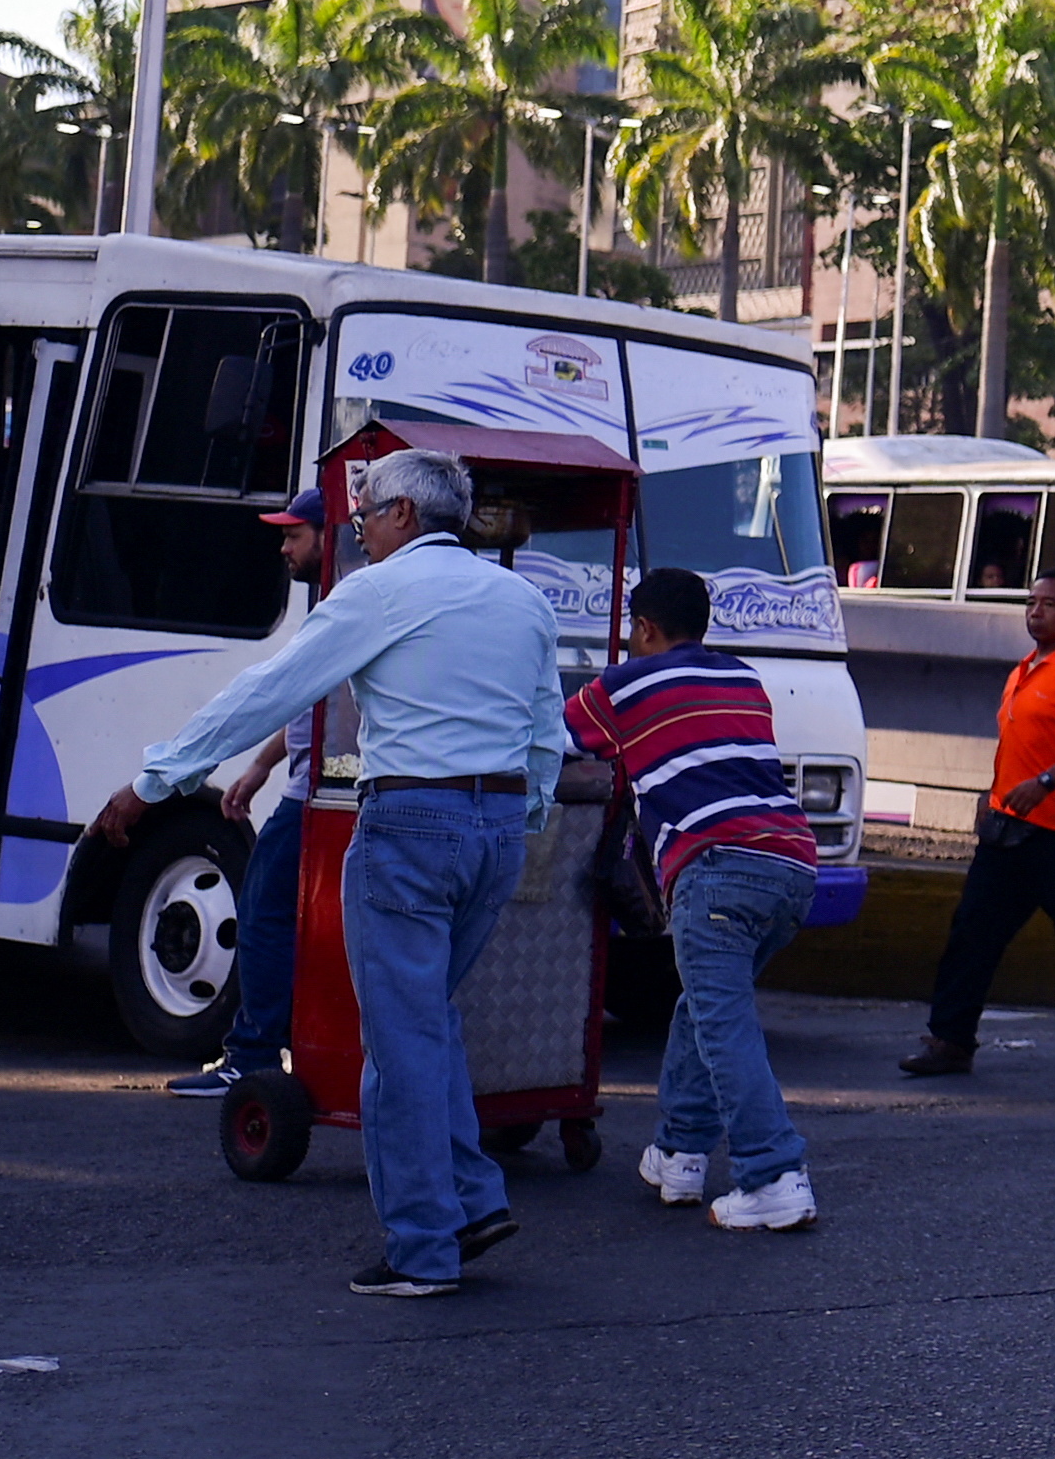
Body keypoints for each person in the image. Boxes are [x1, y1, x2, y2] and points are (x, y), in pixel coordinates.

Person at [99, 449, 566, 1299]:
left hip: (410, 824)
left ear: (401, 516)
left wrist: (151, 782)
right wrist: (520, 819)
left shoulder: (380, 593)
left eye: (362, 519)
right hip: (497, 829)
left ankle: (425, 1246)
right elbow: (545, 735)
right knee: (427, 1022)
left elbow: (267, 692)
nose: (357, 534)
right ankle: (469, 1199)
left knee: (398, 1038)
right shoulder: (523, 601)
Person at [567, 566, 820, 1231]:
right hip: (791, 865)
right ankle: (679, 1152)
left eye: (631, 629)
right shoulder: (741, 677)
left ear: (644, 628)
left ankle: (773, 1175)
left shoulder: (623, 685)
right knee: (707, 1006)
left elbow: (552, 739)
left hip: (716, 867)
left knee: (723, 1020)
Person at [900, 568, 1055, 1075]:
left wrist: (1046, 782)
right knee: (973, 930)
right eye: (1032, 601)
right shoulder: (1024, 670)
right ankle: (950, 1040)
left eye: (1051, 603)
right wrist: (992, 799)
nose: (1037, 610)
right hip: (1009, 828)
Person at [162, 489, 357, 1099]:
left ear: (328, 537)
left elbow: (298, 696)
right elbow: (307, 703)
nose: (283, 547)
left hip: (322, 792)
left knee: (265, 919)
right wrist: (260, 767)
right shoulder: (343, 600)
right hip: (316, 784)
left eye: (293, 535)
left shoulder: (348, 602)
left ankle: (252, 1055)